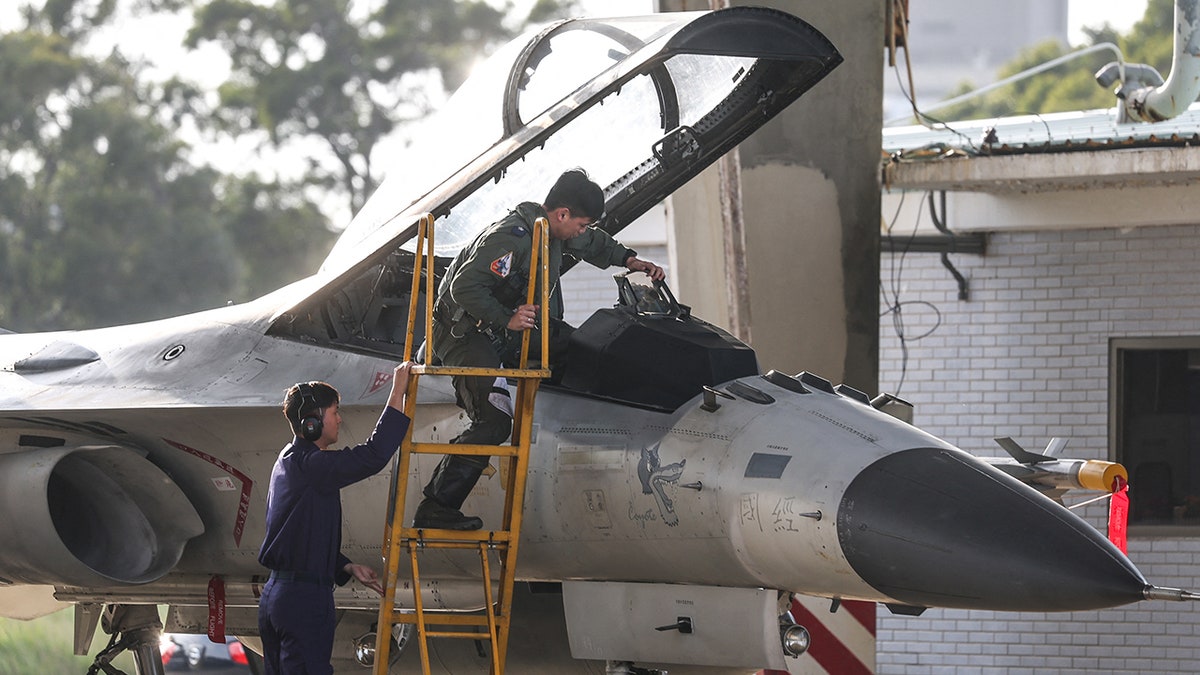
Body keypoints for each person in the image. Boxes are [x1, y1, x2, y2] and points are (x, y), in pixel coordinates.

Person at [414, 168, 664, 531]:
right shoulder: (512, 238)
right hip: (463, 333)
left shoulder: (550, 233)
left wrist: (629, 260)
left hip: (501, 329)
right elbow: (464, 288)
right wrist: (507, 318)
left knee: (582, 349)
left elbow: (592, 242)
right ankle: (437, 505)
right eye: (579, 224)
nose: (581, 232)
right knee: (495, 420)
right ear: (562, 214)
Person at [257, 362, 413, 675]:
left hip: (279, 595)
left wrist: (344, 565)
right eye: (334, 412)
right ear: (312, 423)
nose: (339, 419)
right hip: (304, 600)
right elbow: (372, 456)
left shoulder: (288, 459)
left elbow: (297, 531)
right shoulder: (313, 465)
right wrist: (398, 391)